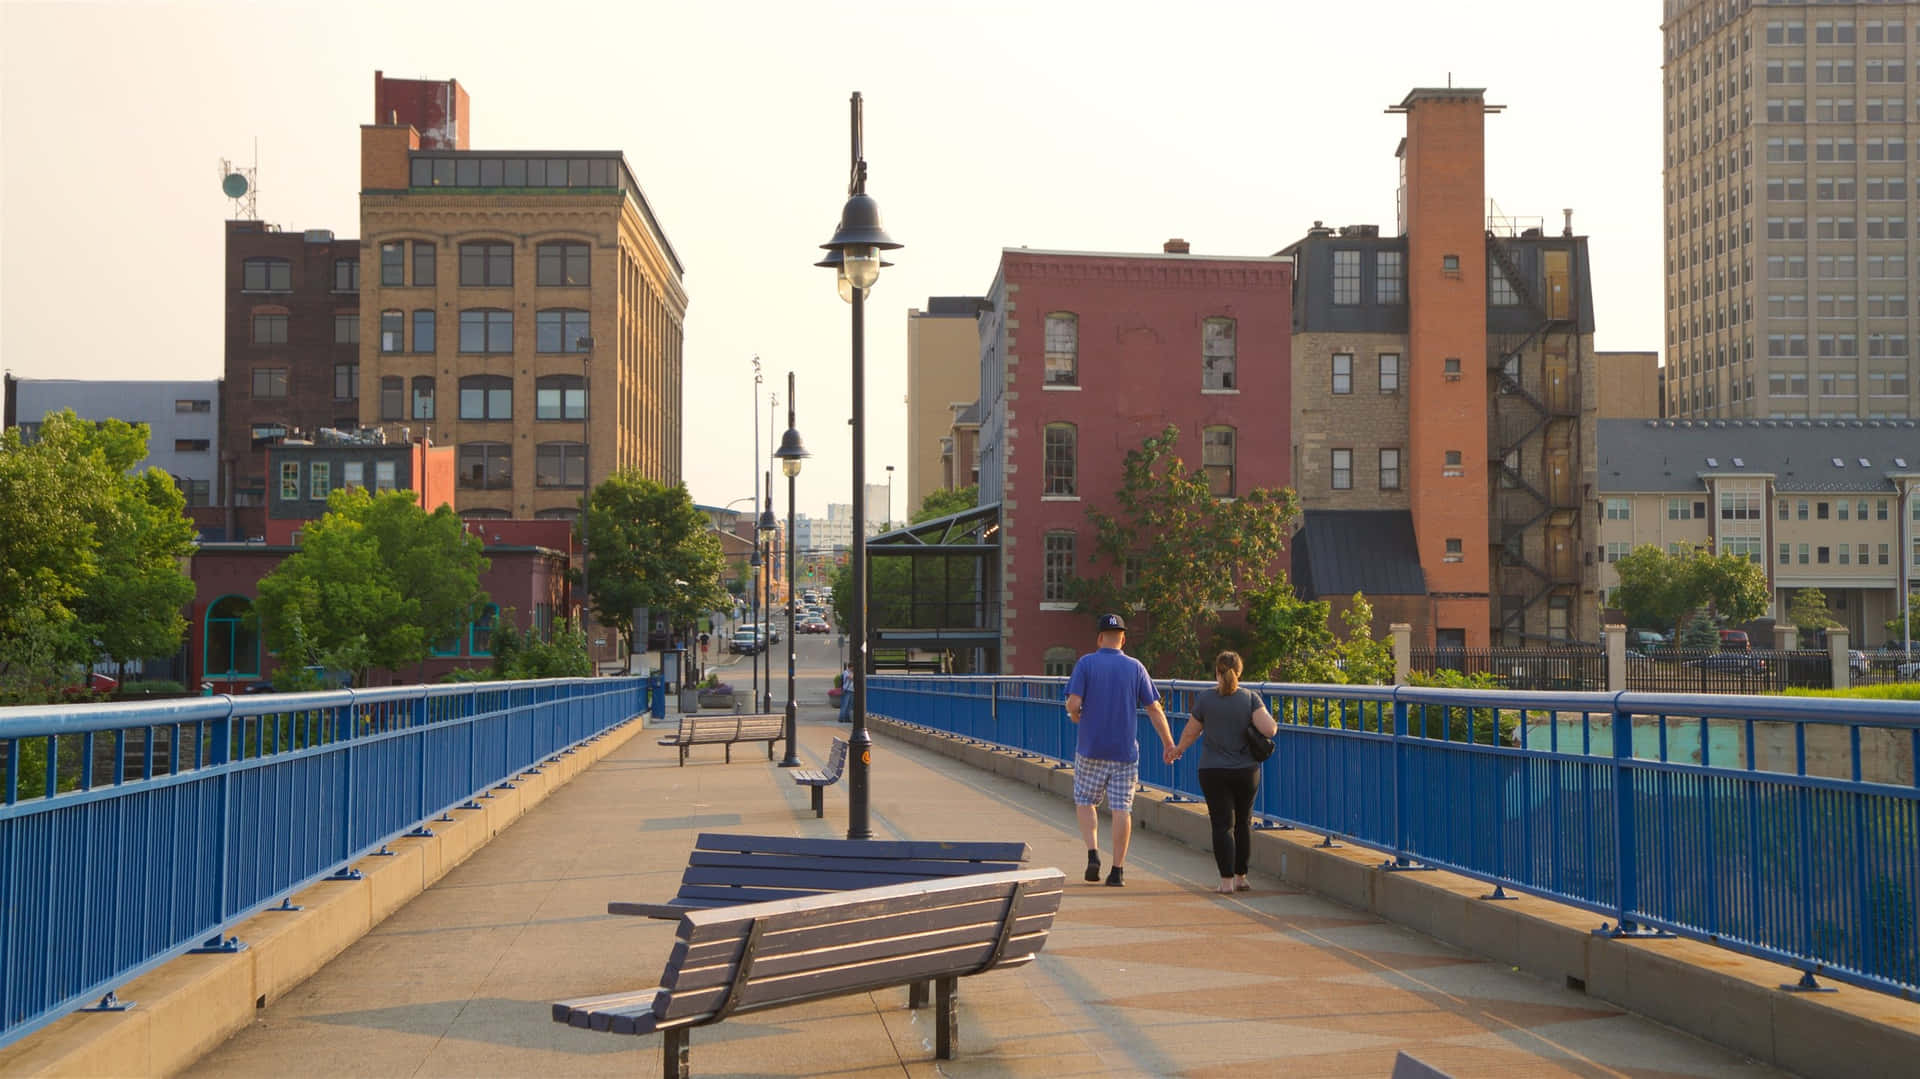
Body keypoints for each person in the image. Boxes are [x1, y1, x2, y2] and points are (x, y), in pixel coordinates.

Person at [1065, 613, 1175, 887]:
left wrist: (1077, 715)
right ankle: (1118, 870)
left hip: (1091, 748)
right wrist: (1169, 743)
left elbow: (1073, 703)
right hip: (1125, 752)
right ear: (1123, 639)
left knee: (1085, 800)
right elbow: (1154, 708)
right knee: (1121, 809)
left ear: (1100, 638)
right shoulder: (1136, 667)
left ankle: (1092, 853)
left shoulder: (1086, 663)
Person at [1169, 651, 1278, 895]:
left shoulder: (1206, 699)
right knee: (1243, 823)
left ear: (1217, 672)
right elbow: (1270, 729)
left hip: (1213, 770)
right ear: (1239, 672)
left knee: (1221, 825)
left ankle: (1226, 882)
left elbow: (1191, 731)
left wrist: (1177, 750)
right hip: (1246, 771)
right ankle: (1241, 877)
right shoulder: (1250, 698)